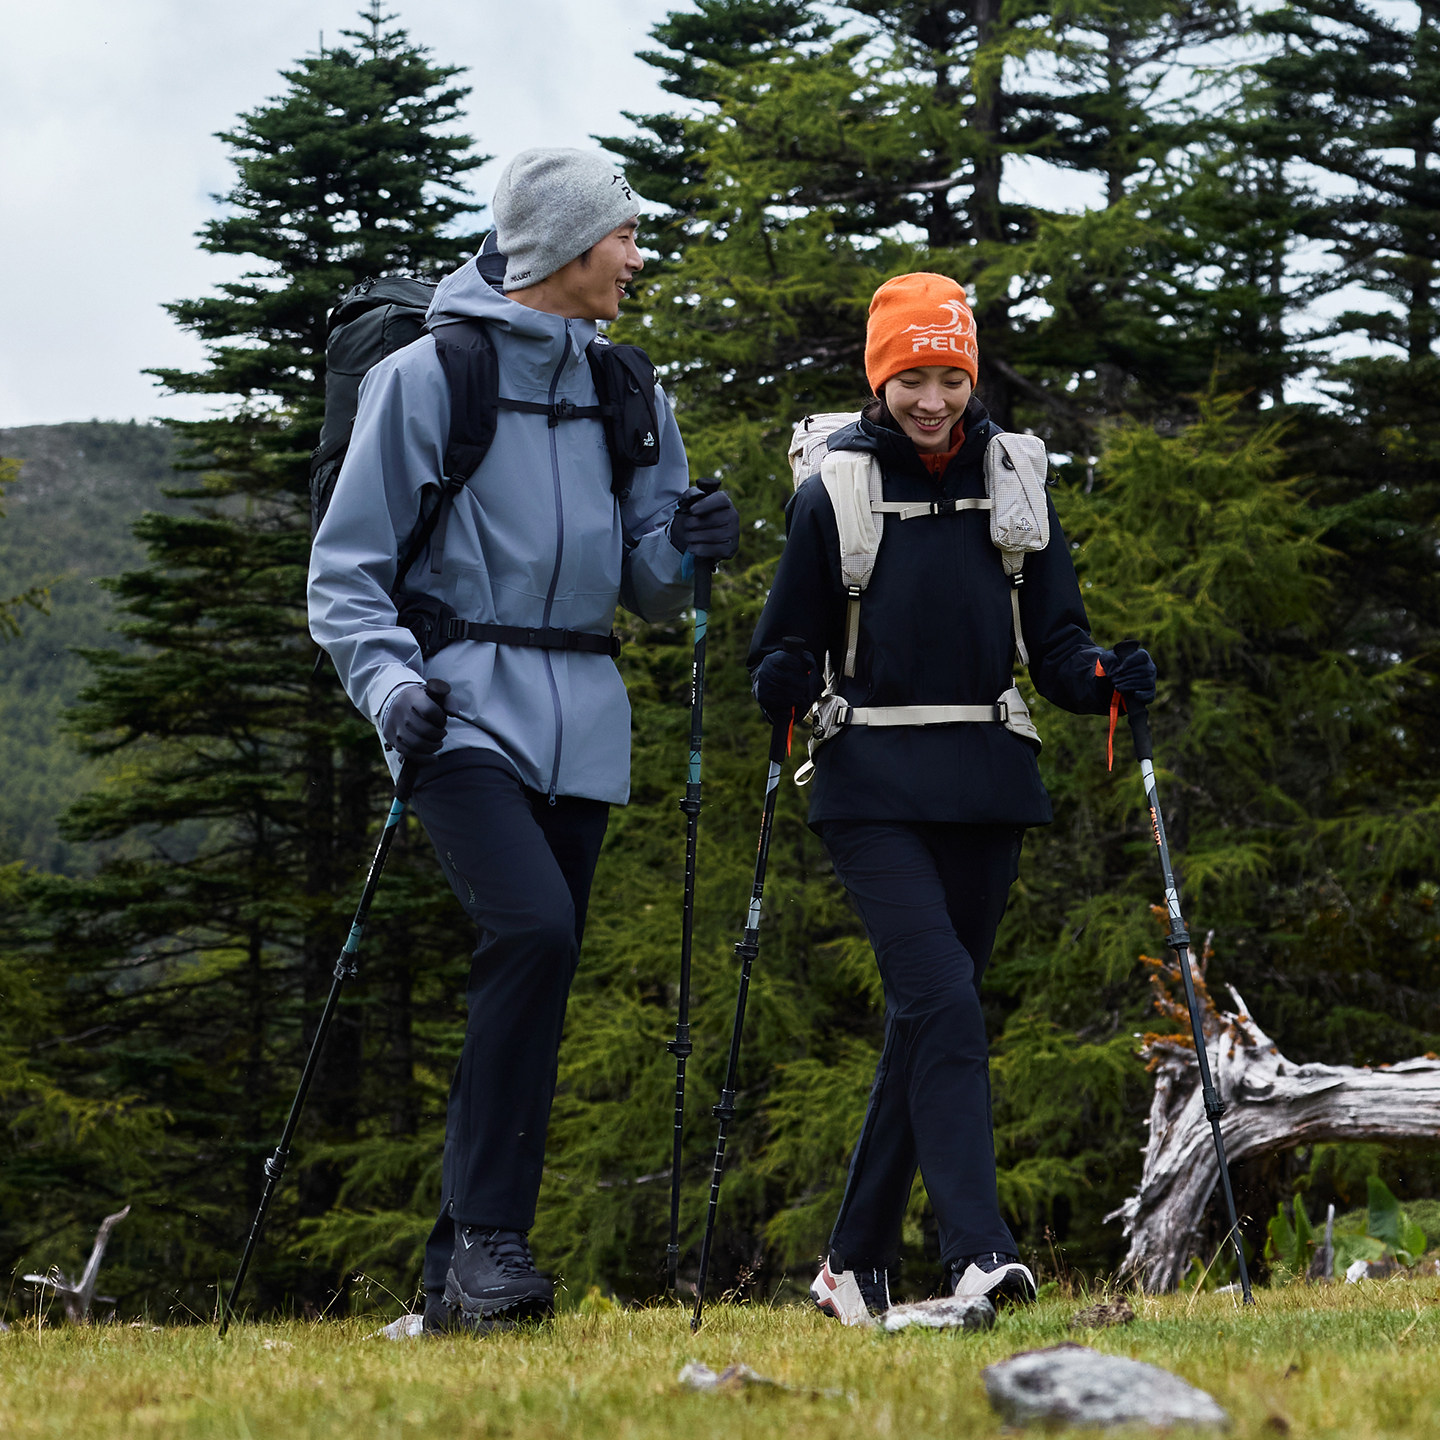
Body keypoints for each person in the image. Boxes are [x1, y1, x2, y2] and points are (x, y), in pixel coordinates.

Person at [308, 148, 739, 1332]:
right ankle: (495, 1243)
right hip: (452, 711)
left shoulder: (630, 389)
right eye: (624, 236)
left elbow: (650, 589)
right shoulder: (425, 379)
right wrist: (390, 686)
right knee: (533, 928)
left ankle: (456, 1280)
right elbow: (344, 577)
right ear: (561, 248)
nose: (638, 256)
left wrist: (692, 544)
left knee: (536, 977)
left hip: (585, 724)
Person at [747, 272, 1154, 1322]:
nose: (932, 400)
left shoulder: (1015, 480)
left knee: (928, 1020)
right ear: (878, 379)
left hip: (985, 783)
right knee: (942, 1000)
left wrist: (1106, 678)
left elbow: (1057, 649)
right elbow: (782, 643)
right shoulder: (831, 491)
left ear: (970, 376)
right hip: (869, 783)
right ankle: (981, 1252)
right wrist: (780, 680)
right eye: (911, 378)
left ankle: (851, 1263)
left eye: (950, 377)